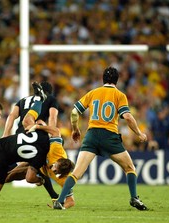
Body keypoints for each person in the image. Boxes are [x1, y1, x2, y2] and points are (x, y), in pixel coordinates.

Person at [52, 67, 149, 210]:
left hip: (91, 136)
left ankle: (60, 201)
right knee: (130, 168)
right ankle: (134, 198)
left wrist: (75, 129)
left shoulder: (93, 93)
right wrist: (139, 134)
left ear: (102, 79)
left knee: (77, 172)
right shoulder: (119, 95)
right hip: (109, 136)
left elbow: (74, 112)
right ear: (117, 80)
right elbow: (127, 116)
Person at [0, 122, 76, 208]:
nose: (53, 168)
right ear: (58, 160)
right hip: (34, 159)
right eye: (54, 166)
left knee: (11, 177)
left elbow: (71, 201)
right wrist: (38, 127)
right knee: (8, 175)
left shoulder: (64, 179)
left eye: (55, 171)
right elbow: (56, 131)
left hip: (37, 167)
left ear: (60, 174)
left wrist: (61, 207)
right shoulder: (56, 150)